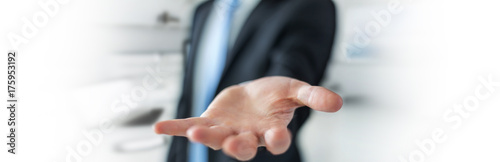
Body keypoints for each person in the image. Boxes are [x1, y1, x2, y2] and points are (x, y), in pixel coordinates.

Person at [154, 0, 339, 161]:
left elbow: (294, 77)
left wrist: (269, 111)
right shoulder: (203, 10)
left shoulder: (309, 5)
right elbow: (190, 94)